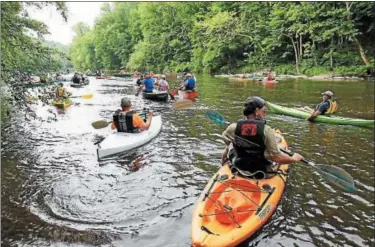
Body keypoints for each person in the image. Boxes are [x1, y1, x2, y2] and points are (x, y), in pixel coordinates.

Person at [221, 96, 304, 179]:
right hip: (262, 172)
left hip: (240, 167)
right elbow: (277, 157)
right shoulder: (267, 130)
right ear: (257, 111)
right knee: (280, 152)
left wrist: (223, 161)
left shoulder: (232, 128)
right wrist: (294, 159)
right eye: (263, 111)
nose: (264, 113)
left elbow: (228, 146)